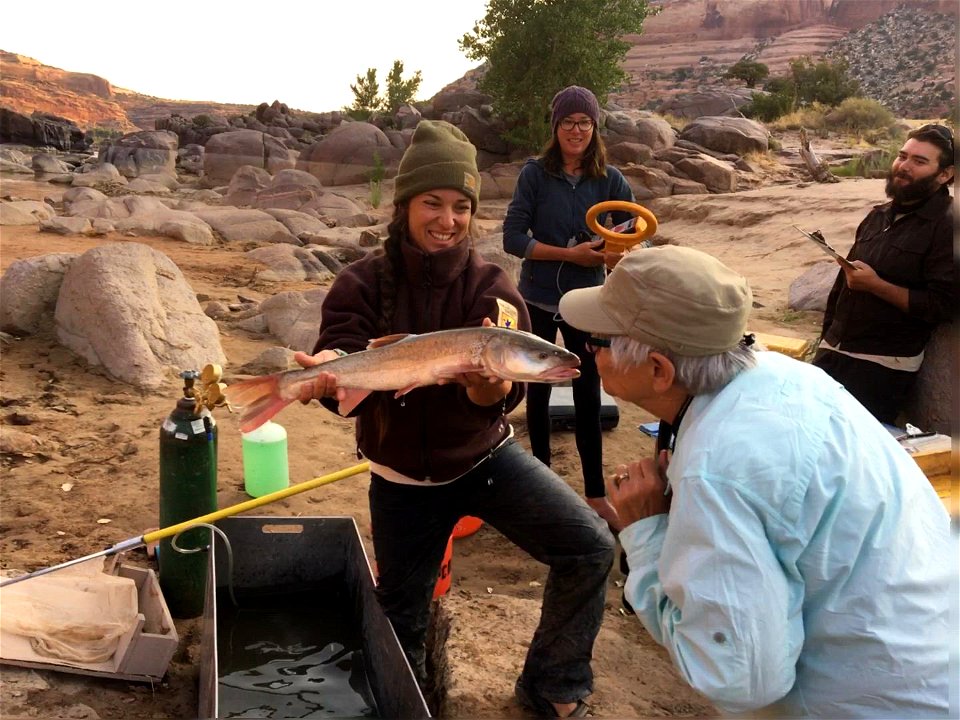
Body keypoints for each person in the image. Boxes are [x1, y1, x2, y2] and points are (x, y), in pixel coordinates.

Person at [293, 120, 615, 719]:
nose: (448, 219)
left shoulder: (492, 288)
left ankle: (552, 684)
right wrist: (329, 372)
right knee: (401, 620)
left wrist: (489, 392)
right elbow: (341, 353)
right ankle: (410, 706)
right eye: (432, 203)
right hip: (401, 483)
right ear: (405, 204)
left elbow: (506, 391)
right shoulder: (360, 283)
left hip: (482, 461)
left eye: (461, 206)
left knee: (590, 547)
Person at [557, 245, 952, 718]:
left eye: (598, 341)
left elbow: (740, 678)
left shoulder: (718, 468)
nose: (588, 351)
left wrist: (646, 533)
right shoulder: (791, 378)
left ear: (659, 370)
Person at [503, 85, 635, 531]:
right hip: (538, 297)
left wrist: (616, 254)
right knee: (537, 393)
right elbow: (513, 238)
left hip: (588, 304)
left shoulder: (611, 179)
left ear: (594, 127)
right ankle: (543, 485)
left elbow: (634, 236)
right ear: (555, 128)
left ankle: (595, 494)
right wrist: (568, 254)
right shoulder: (535, 174)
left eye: (584, 123)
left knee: (587, 393)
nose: (576, 131)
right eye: (567, 123)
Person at [813, 123, 957, 426]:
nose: (903, 167)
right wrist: (826, 338)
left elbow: (942, 305)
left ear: (945, 174)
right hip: (832, 351)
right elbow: (842, 285)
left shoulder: (948, 226)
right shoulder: (877, 215)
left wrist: (876, 286)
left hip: (880, 368)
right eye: (902, 156)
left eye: (919, 161)